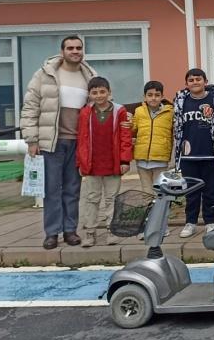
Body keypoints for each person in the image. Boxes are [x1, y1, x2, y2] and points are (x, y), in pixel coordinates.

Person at [21, 35, 97, 250]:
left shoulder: (90, 76)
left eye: (79, 48)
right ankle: (52, 233)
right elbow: (30, 107)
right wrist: (31, 139)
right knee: (51, 190)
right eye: (70, 48)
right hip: (50, 143)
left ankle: (70, 231)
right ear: (62, 50)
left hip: (77, 143)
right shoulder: (44, 75)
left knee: (73, 189)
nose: (75, 51)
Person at [76, 77, 132, 247]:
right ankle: (90, 232)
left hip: (113, 163)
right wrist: (81, 162)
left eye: (102, 92)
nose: (99, 95)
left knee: (112, 198)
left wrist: (125, 160)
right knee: (91, 199)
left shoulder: (119, 111)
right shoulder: (85, 112)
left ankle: (111, 230)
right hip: (92, 164)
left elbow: (125, 137)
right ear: (89, 94)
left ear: (109, 92)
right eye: (94, 92)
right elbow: (82, 139)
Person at [173, 68, 214, 239]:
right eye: (191, 80)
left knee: (211, 190)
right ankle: (191, 223)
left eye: (198, 79)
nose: (195, 82)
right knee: (191, 192)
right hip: (189, 155)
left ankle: (211, 221)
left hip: (210, 154)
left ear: (205, 81)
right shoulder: (181, 101)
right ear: (186, 84)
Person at [131, 81, 173, 193]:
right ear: (144, 97)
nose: (153, 98)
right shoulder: (139, 111)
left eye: (157, 95)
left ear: (162, 96)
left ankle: (162, 211)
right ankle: (149, 211)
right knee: (146, 192)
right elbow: (132, 128)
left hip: (161, 159)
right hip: (141, 160)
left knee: (160, 192)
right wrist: (128, 122)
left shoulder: (170, 112)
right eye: (150, 95)